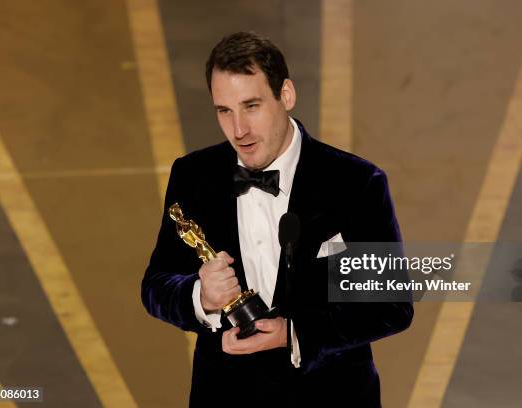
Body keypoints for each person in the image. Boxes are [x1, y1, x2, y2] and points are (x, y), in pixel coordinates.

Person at [141, 31, 413, 407]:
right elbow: (155, 286)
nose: (239, 130)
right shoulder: (194, 176)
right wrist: (200, 297)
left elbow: (390, 306)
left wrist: (294, 333)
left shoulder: (355, 184)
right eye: (224, 110)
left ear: (286, 94)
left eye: (251, 106)